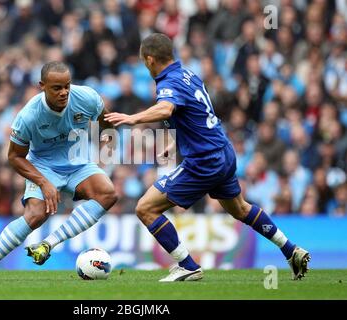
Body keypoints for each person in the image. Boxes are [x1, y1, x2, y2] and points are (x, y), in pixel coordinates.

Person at [105, 33, 310, 282]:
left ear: (149, 60)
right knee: (241, 209)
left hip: (204, 160)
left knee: (145, 208)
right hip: (223, 151)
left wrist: (132, 118)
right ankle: (291, 251)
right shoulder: (189, 75)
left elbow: (166, 108)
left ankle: (188, 265)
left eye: (144, 62)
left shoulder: (168, 82)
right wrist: (175, 140)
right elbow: (196, 114)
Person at [0, 62, 117, 282]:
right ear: (42, 86)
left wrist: (105, 155)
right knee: (36, 215)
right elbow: (14, 157)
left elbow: (108, 123)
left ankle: (48, 244)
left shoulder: (87, 98)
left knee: (108, 193)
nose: (64, 92)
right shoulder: (28, 116)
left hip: (78, 162)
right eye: (57, 88)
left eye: (67, 86)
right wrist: (44, 182)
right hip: (43, 166)